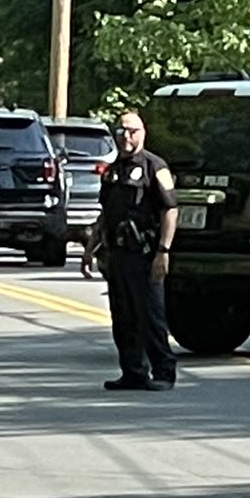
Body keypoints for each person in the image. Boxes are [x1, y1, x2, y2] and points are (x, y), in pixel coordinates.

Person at [82, 109, 179, 391]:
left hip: (146, 254)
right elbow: (106, 214)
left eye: (132, 131)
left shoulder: (154, 167)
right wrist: (90, 249)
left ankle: (163, 373)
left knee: (151, 317)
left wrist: (164, 251)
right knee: (122, 318)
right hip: (118, 255)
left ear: (143, 133)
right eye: (121, 130)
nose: (126, 136)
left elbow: (170, 210)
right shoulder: (112, 171)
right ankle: (133, 371)